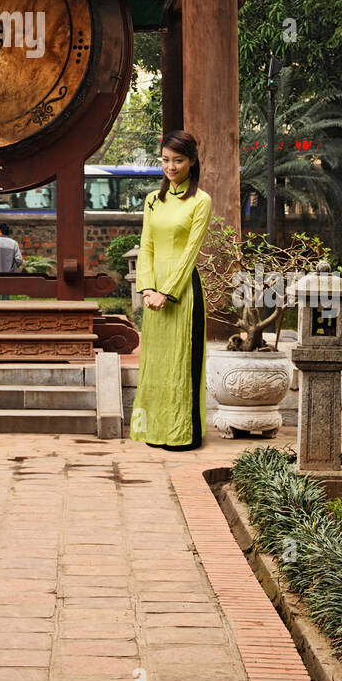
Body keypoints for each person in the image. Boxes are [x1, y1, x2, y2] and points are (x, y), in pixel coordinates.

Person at [129, 131, 212, 451]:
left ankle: (181, 433)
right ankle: (153, 430)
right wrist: (147, 289)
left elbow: (191, 252)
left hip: (182, 293)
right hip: (153, 296)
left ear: (192, 162)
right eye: (165, 160)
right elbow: (146, 245)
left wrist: (166, 292)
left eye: (178, 160)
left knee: (180, 363)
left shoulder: (200, 201)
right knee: (155, 362)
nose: (171, 166)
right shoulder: (153, 199)